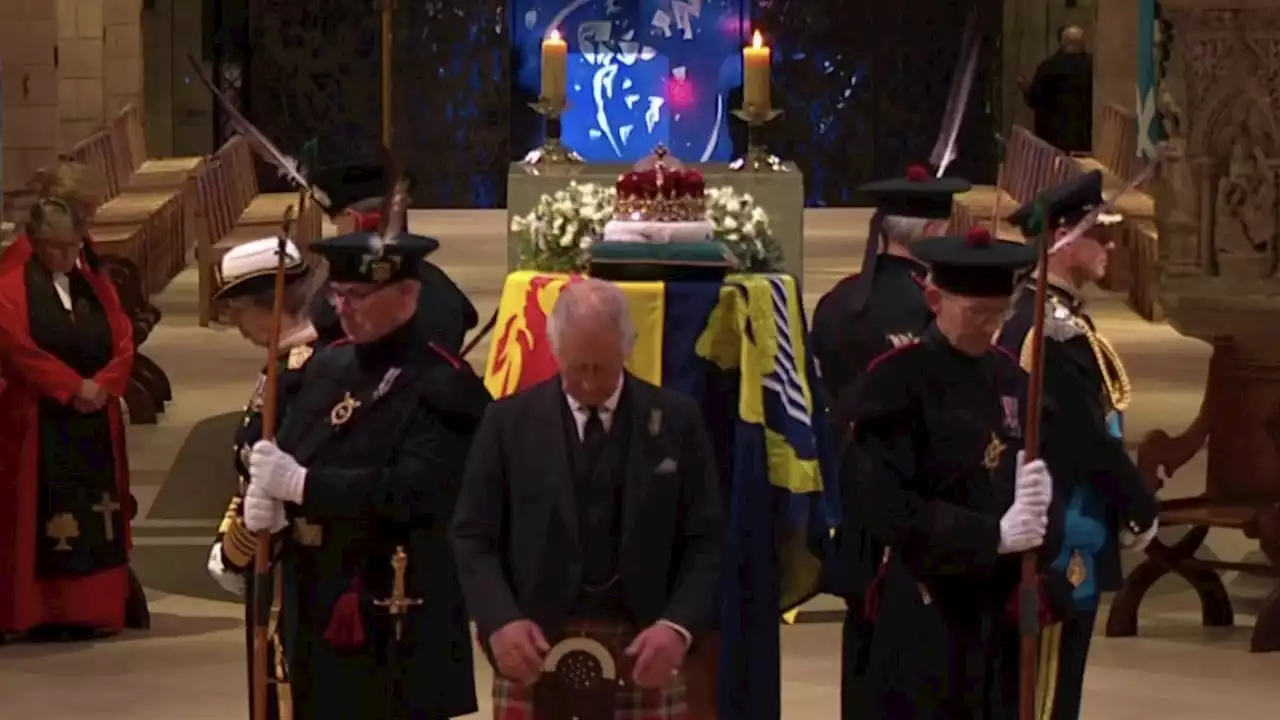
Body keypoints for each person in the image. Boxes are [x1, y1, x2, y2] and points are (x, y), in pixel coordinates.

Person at [243, 227, 490, 719]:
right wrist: (269, 497)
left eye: (357, 295)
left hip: (392, 602)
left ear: (407, 294)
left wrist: (303, 486)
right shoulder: (327, 364)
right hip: (314, 590)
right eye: (336, 295)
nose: (342, 309)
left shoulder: (443, 385)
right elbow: (286, 446)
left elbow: (414, 491)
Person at [450, 278, 724, 720]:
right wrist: (499, 620)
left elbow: (707, 540)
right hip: (535, 647)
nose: (590, 381)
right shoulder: (507, 423)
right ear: (555, 350)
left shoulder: (677, 420)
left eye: (602, 366)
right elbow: (472, 536)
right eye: (578, 367)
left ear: (628, 346)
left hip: (643, 647)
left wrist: (678, 626)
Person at [838, 226, 1055, 718]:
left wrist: (1041, 515)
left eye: (999, 313)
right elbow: (886, 507)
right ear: (935, 299)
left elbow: (1028, 474)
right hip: (924, 606)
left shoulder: (1012, 379)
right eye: (976, 313)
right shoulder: (896, 383)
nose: (990, 326)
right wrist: (989, 535)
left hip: (995, 608)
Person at [810, 165, 969, 718]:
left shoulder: (838, 303)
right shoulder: (939, 313)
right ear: (931, 234)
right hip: (920, 506)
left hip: (852, 500)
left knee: (863, 648)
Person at [1000, 171, 1160, 720]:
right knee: (1048, 693)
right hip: (1064, 528)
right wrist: (1139, 506)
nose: (1111, 247)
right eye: (1101, 233)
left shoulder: (1051, 317)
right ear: (1062, 240)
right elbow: (1089, 438)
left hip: (1072, 520)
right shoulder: (1046, 329)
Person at [0, 197, 138, 640]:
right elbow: (18, 349)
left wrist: (105, 385)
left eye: (71, 245)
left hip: (96, 417)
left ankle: (95, 609)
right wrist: (71, 387)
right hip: (39, 419)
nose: (64, 255)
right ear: (35, 242)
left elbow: (123, 338)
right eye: (54, 246)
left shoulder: (95, 284)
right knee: (40, 517)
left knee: (100, 513)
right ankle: (43, 612)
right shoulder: (11, 288)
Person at [206, 237, 326, 719]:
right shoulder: (284, 363)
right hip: (260, 542)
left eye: (239, 309)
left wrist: (241, 546)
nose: (235, 324)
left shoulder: (305, 370)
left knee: (285, 682)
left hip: (291, 556)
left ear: (272, 303)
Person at [307, 164, 479, 352]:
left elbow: (325, 329)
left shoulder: (348, 289)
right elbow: (468, 316)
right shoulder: (438, 281)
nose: (343, 306)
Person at [1020, 26, 1094, 154]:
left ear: (1062, 44)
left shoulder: (1049, 67)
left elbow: (1036, 99)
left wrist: (1026, 89)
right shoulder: (1092, 67)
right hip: (1085, 138)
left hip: (1054, 138)